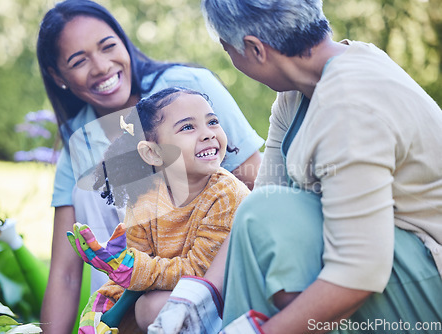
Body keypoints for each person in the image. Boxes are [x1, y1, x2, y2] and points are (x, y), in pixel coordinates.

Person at [151, 0, 442, 333]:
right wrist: (200, 293)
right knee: (263, 210)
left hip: (424, 277)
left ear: (254, 49)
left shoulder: (349, 104)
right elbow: (262, 200)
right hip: (389, 264)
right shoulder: (299, 92)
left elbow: (359, 271)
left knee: (268, 214)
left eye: (228, 50)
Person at [35, 0, 264, 332]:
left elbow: (258, 187)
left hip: (214, 268)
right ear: (59, 76)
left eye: (108, 46)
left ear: (125, 43)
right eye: (79, 60)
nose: (100, 66)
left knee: (152, 308)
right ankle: (109, 317)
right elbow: (66, 272)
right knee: (91, 187)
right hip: (144, 278)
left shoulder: (188, 87)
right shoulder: (80, 140)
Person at [68, 86, 251, 333]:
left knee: (151, 308)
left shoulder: (227, 194)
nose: (208, 134)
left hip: (232, 298)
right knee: (130, 313)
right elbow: (135, 273)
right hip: (177, 295)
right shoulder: (145, 200)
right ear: (152, 153)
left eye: (213, 122)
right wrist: (103, 306)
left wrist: (131, 269)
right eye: (188, 127)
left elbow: (200, 272)